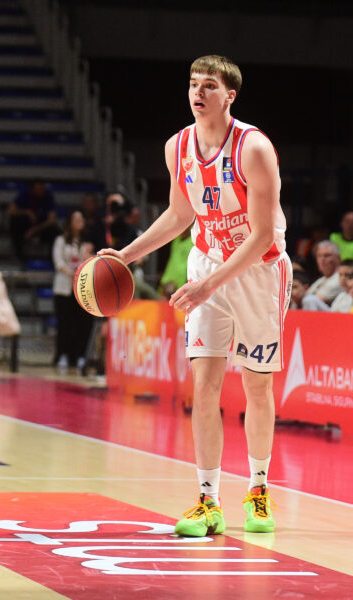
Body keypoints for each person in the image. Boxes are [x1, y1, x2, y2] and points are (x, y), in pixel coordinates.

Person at [99, 55, 292, 537]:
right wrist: (127, 255)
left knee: (257, 386)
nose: (198, 92)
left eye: (209, 85)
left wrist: (211, 283)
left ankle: (259, 489)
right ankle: (208, 500)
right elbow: (180, 214)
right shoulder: (178, 146)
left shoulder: (254, 149)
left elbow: (261, 235)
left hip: (258, 270)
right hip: (208, 263)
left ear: (230, 96)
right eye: (192, 84)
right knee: (203, 388)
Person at [52, 211, 93, 369]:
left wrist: (86, 257)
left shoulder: (86, 243)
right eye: (76, 219)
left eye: (81, 219)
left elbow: (90, 263)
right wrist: (73, 274)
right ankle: (62, 354)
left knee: (81, 324)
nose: (79, 222)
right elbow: (59, 263)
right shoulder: (60, 241)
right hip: (64, 288)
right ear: (69, 222)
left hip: (81, 289)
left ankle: (80, 356)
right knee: (64, 324)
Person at [7, 180, 59, 262]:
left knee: (55, 232)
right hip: (26, 225)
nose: (41, 191)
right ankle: (19, 256)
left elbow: (52, 220)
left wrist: (34, 230)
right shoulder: (25, 194)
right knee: (15, 222)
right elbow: (10, 211)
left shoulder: (48, 196)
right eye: (39, 189)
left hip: (41, 227)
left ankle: (52, 259)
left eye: (43, 189)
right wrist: (26, 212)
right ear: (32, 189)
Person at [301, 240, 341, 310]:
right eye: (319, 256)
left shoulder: (340, 278)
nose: (322, 259)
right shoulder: (321, 279)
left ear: (338, 258)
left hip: (336, 315)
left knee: (310, 300)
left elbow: (313, 300)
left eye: (327, 255)